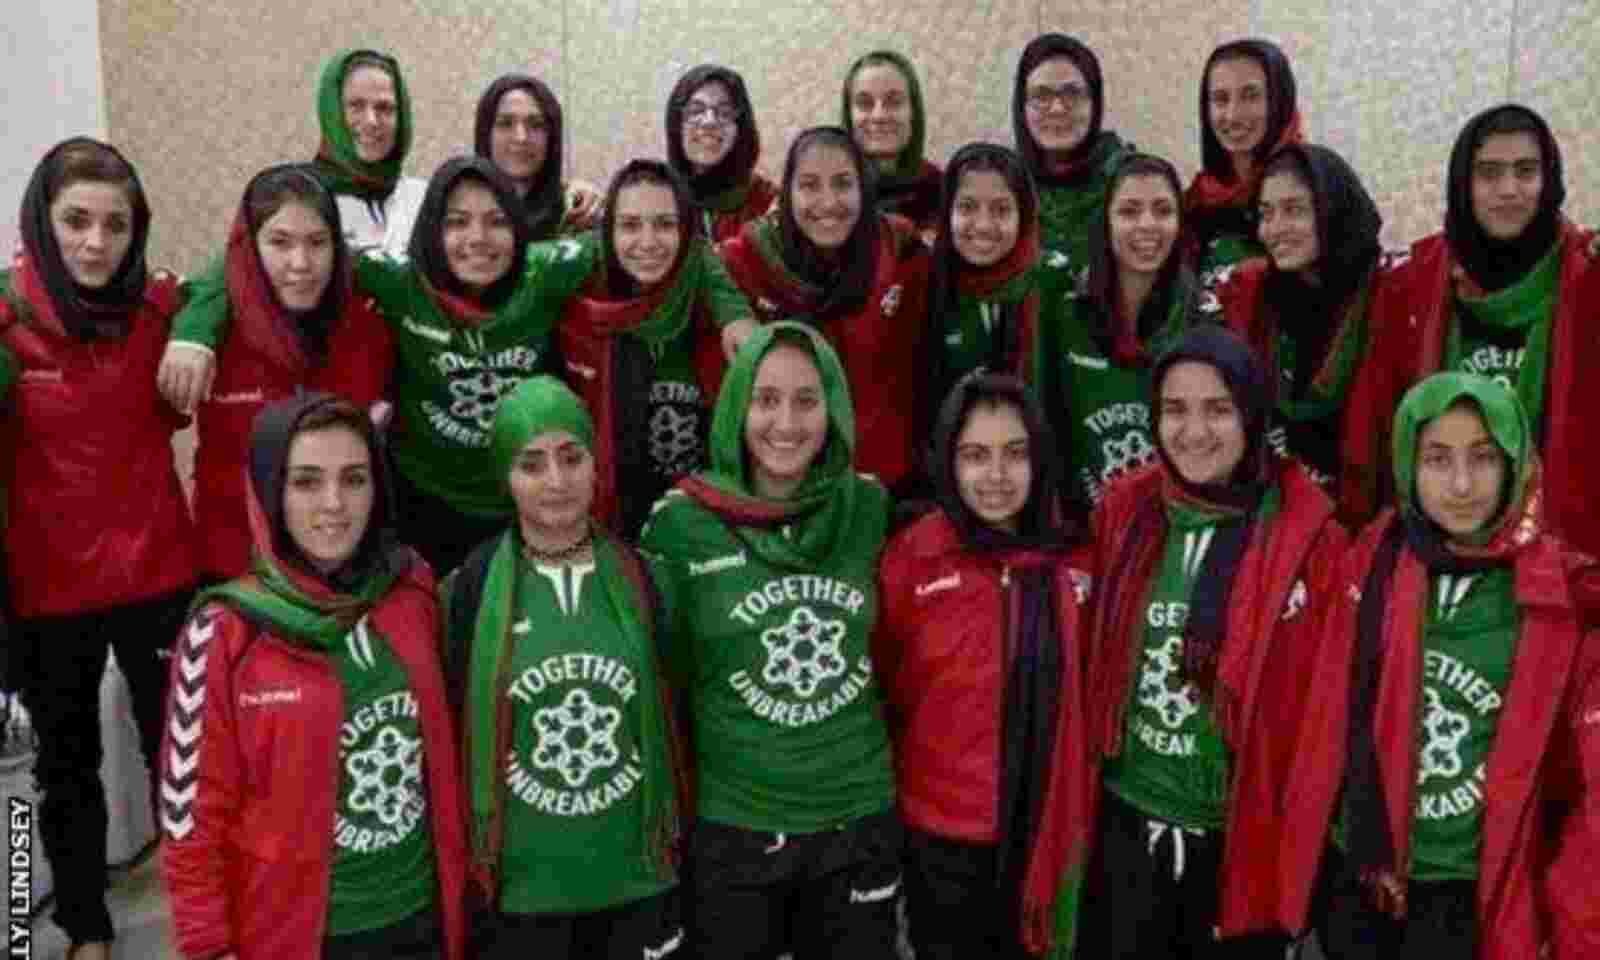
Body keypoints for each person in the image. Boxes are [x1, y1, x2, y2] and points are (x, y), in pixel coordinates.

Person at [1278, 372, 1600, 958]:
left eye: (1484, 457)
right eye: (1437, 458)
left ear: (1514, 463)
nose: (1461, 484)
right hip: (1362, 869)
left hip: (1470, 895)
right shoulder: (1367, 561)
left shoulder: (1563, 595)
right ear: (1408, 463)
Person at [166, 156, 593, 575]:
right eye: (457, 222)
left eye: (497, 221)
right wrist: (193, 331)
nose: (301, 262)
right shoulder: (396, 282)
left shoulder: (540, 272)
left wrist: (589, 202)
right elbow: (240, 261)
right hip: (279, 550)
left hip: (514, 504)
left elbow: (618, 246)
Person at [159, 394, 468, 960]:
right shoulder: (225, 630)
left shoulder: (413, 589)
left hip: (421, 921)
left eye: (354, 479)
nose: (333, 504)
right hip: (298, 936)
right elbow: (191, 818)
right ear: (271, 491)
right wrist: (207, 948)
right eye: (306, 482)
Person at [1080, 325, 1345, 958]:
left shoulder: (1310, 537)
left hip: (1238, 842)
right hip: (1127, 824)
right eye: (1175, 410)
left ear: (1251, 414)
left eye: (1218, 409)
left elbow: (1325, 709)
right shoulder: (1126, 510)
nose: (1194, 432)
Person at [639, 323, 900, 959]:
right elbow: (665, 672)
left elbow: (900, 653)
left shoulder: (870, 508)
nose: (786, 422)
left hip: (856, 816)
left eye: (807, 400)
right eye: (766, 399)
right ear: (736, 406)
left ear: (833, 409)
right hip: (737, 822)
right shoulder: (680, 524)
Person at [2, 137, 199, 960]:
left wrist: (196, 334)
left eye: (116, 225)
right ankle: (84, 925)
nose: (95, 242)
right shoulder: (7, 317)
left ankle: (202, 916)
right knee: (66, 766)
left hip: (158, 571)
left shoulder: (160, 307)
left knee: (184, 762)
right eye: (76, 221)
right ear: (42, 223)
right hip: (49, 586)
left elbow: (223, 290)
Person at [441, 375, 687, 959]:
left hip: (638, 878)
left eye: (572, 457)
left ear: (596, 464)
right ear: (506, 477)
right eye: (531, 464)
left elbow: (681, 712)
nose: (556, 480)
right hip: (521, 894)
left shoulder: (649, 579)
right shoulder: (465, 593)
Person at [876, 372, 1093, 959]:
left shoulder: (1077, 554)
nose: (996, 475)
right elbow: (887, 681)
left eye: (1014, 454)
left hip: (1051, 830)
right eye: (975, 455)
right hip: (942, 836)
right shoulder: (915, 553)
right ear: (949, 461)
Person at [1354, 104, 1600, 557]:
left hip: (1564, 551)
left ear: (1549, 181)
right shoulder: (1414, 283)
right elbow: (1378, 425)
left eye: (1525, 171)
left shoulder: (1588, 278)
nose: (1508, 189)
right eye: (1489, 173)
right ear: (1463, 184)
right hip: (1438, 546)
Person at [161, 163, 392, 581]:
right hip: (233, 569)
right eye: (280, 242)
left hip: (342, 571)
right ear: (250, 247)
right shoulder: (210, 328)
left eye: (317, 242)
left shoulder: (369, 325)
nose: (300, 263)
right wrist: (192, 333)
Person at [718, 126, 931, 494]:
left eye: (843, 184)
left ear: (864, 187)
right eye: (809, 185)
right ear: (787, 192)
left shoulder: (899, 250)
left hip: (881, 486)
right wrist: (730, 311)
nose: (828, 202)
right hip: (781, 484)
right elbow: (695, 263)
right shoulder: (753, 257)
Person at [555, 159, 752, 538]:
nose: (648, 242)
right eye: (630, 225)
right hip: (604, 522)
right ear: (608, 231)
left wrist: (737, 316)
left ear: (685, 231)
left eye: (664, 224)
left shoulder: (704, 297)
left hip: (699, 523)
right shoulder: (582, 296)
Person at [1203, 143, 1385, 522]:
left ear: (1333, 209)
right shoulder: (1255, 300)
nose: (1275, 230)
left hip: (1377, 519)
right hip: (1284, 520)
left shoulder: (1389, 295)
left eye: (1294, 210)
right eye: (1266, 213)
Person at [1032, 152, 1197, 509]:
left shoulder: (1200, 315)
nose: (1147, 225)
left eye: (1163, 211)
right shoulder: (1066, 312)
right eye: (1129, 211)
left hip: (1173, 522)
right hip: (1083, 524)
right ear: (1105, 220)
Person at [926, 142, 1067, 408]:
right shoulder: (930, 282)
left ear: (1023, 214)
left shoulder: (1055, 281)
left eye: (1001, 210)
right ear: (947, 211)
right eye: (967, 207)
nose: (983, 225)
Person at [1185, 39, 1303, 282]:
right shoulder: (1198, 200)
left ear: (1280, 101)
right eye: (1220, 99)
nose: (1233, 115)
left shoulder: (1313, 191)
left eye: (1250, 96)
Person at [1011, 33, 1133, 267]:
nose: (1057, 109)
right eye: (1042, 95)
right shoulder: (1005, 187)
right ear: (1021, 106)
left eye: (1072, 94)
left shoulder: (1130, 182)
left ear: (1095, 102)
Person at [311, 49, 428, 257]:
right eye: (356, 106)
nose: (371, 121)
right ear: (332, 112)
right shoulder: (305, 199)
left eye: (384, 108)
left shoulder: (424, 199)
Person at [473, 73, 602, 239]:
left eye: (536, 125)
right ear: (485, 134)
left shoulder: (579, 216)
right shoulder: (456, 215)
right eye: (505, 123)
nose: (521, 137)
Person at [665, 64, 779, 242]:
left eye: (724, 113)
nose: (709, 122)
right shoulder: (655, 197)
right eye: (695, 111)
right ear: (676, 124)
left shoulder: (768, 203)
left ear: (741, 128)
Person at [842, 50, 942, 238]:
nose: (879, 116)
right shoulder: (830, 193)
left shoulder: (942, 191)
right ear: (849, 116)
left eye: (894, 102)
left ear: (913, 113)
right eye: (864, 103)